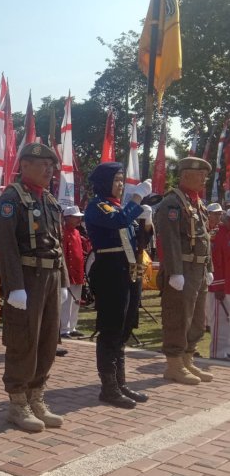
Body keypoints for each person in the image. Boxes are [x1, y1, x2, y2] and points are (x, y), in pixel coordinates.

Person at [0, 142, 68, 432]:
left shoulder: (48, 200)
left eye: (51, 165)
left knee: (48, 341)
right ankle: (17, 403)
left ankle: (37, 396)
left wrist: (62, 279)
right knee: (23, 340)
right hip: (27, 279)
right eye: (42, 164)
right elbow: (7, 246)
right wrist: (15, 287)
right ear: (23, 166)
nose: (48, 169)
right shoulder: (11, 200)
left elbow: (57, 243)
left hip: (49, 278)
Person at [84, 164, 153, 408]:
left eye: (122, 180)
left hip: (128, 272)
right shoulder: (97, 206)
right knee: (111, 329)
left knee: (124, 329)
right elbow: (119, 221)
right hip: (110, 272)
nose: (121, 184)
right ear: (104, 182)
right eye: (116, 180)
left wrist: (147, 223)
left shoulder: (118, 206)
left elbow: (138, 239)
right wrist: (137, 198)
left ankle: (120, 383)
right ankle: (108, 388)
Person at [155, 156, 214, 384]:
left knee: (197, 318)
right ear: (185, 175)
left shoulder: (197, 202)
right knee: (178, 316)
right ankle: (174, 364)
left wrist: (209, 266)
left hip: (198, 269)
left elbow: (205, 238)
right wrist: (175, 271)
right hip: (183, 269)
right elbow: (169, 239)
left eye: (205, 176)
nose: (204, 180)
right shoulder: (173, 203)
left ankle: (188, 360)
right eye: (199, 176)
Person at [60, 206, 86, 339]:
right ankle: (64, 328)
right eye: (76, 217)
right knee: (67, 301)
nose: (79, 219)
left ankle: (72, 326)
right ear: (68, 218)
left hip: (78, 271)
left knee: (76, 300)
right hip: (68, 271)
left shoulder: (77, 232)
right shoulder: (62, 232)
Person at [209, 210, 230, 359]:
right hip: (221, 287)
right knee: (220, 322)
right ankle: (217, 353)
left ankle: (226, 352)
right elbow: (215, 262)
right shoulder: (218, 234)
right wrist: (218, 286)